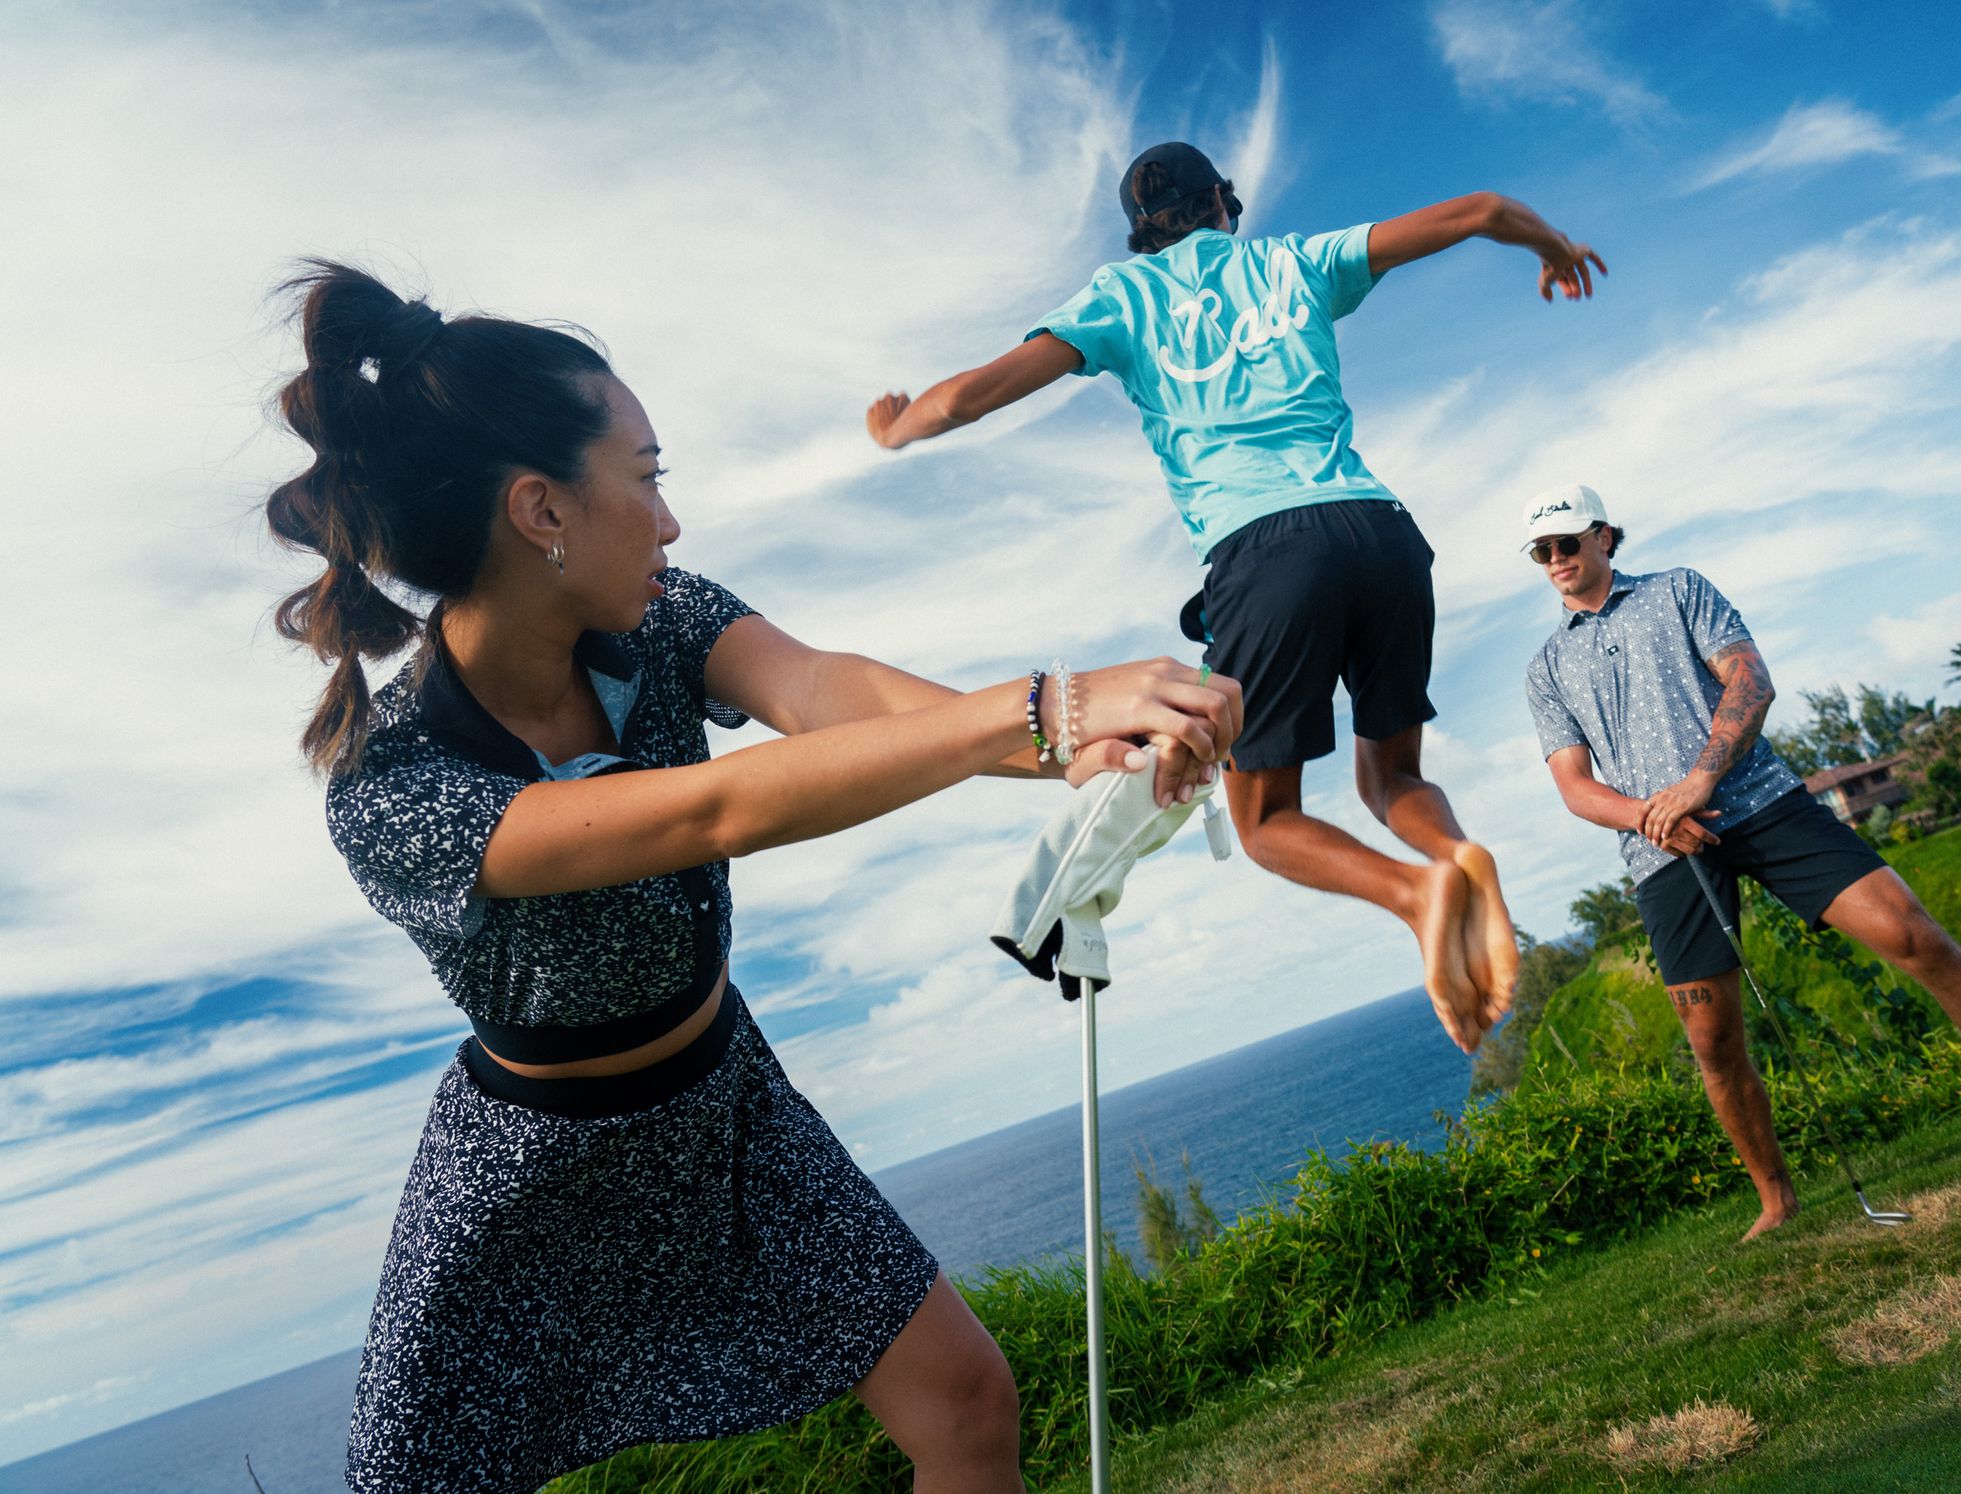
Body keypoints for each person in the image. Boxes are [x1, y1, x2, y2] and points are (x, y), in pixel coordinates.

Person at [263, 262, 1241, 1494]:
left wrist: (1059, 750)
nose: (668, 521)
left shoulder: (657, 617)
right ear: (538, 510)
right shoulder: (390, 788)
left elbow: (825, 695)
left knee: (965, 1403)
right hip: (529, 1176)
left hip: (723, 1101)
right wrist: (1041, 709)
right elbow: (713, 809)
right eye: (647, 477)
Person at [864, 141, 1607, 1051]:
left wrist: (900, 426)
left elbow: (970, 397)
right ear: (1225, 200)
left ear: (1142, 230)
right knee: (1397, 777)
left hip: (1266, 554)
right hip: (1381, 532)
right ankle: (1456, 854)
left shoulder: (1120, 298)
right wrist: (1553, 248)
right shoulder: (1295, 261)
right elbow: (1483, 206)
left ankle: (1418, 894)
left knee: (1265, 821)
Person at [1518, 483, 1961, 1241]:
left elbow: (1751, 682)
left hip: (1757, 799)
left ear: (1606, 537)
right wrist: (1654, 816)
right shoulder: (1546, 667)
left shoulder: (1679, 590)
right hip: (1664, 849)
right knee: (1711, 1040)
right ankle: (1777, 1200)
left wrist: (1698, 782)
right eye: (1542, 550)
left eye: (1568, 542)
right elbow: (1575, 788)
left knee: (1914, 936)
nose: (1556, 559)